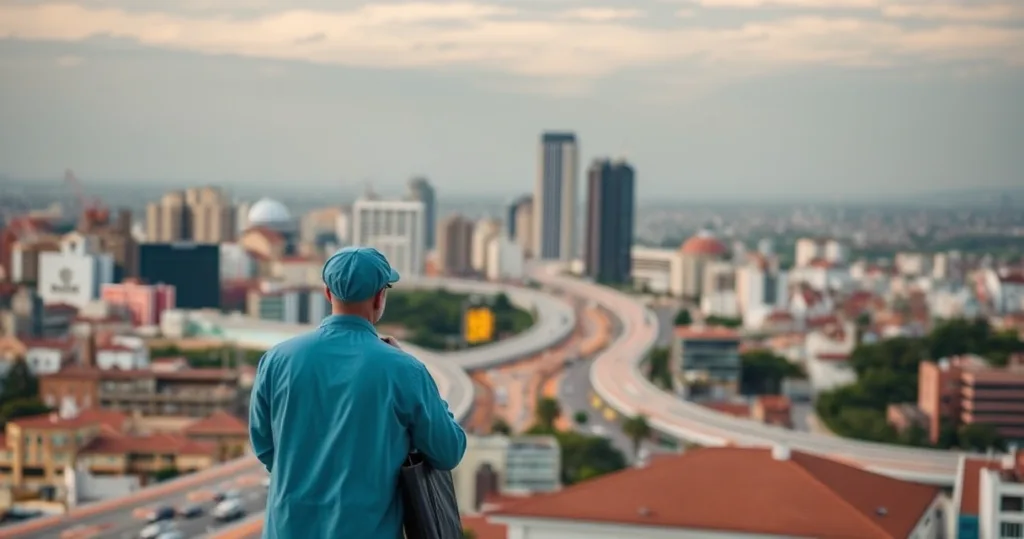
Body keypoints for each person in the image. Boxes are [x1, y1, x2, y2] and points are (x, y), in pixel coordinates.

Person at [249, 246, 467, 539]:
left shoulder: (277, 360)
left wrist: (305, 475)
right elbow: (448, 450)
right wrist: (429, 393)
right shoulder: (404, 370)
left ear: (328, 294)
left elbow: (263, 444)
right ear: (380, 297)